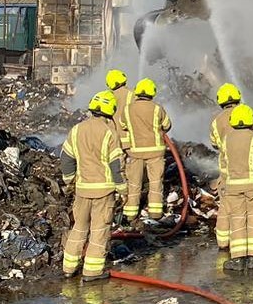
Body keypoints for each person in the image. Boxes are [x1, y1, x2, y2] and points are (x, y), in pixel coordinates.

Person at [60, 90, 125, 282]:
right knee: (99, 231)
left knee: (78, 228)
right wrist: (123, 189)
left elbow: (66, 157)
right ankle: (92, 272)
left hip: (82, 189)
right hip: (103, 191)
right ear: (110, 109)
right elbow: (116, 165)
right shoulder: (109, 133)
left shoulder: (77, 129)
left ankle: (68, 268)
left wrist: (69, 179)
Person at [210, 83, 253, 250]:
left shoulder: (216, 120)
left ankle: (223, 243)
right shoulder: (248, 112)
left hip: (228, 172)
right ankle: (252, 251)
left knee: (227, 208)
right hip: (251, 172)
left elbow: (214, 144)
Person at [219, 103, 253, 273]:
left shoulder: (227, 139)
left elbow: (223, 164)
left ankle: (238, 258)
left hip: (233, 186)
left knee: (237, 220)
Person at [120, 77, 173, 222]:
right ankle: (155, 214)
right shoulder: (157, 108)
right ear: (152, 92)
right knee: (156, 182)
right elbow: (167, 125)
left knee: (134, 183)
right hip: (156, 152)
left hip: (135, 151)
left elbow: (123, 125)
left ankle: (130, 213)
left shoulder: (127, 109)